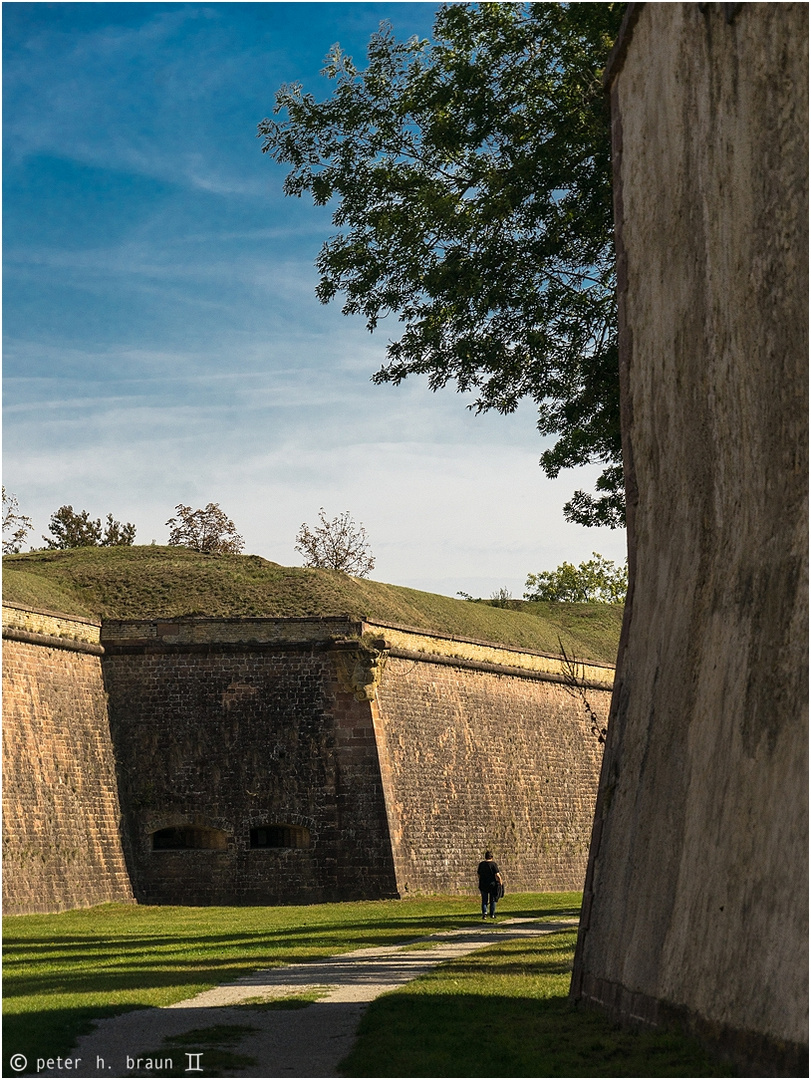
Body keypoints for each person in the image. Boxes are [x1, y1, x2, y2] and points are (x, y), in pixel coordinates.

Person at [477, 850, 502, 920]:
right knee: (493, 900)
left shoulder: (481, 864)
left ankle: (484, 913)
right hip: (492, 885)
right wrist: (500, 882)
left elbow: (478, 874)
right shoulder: (493, 864)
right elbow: (497, 875)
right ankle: (492, 914)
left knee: (484, 900)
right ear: (492, 857)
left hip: (483, 884)